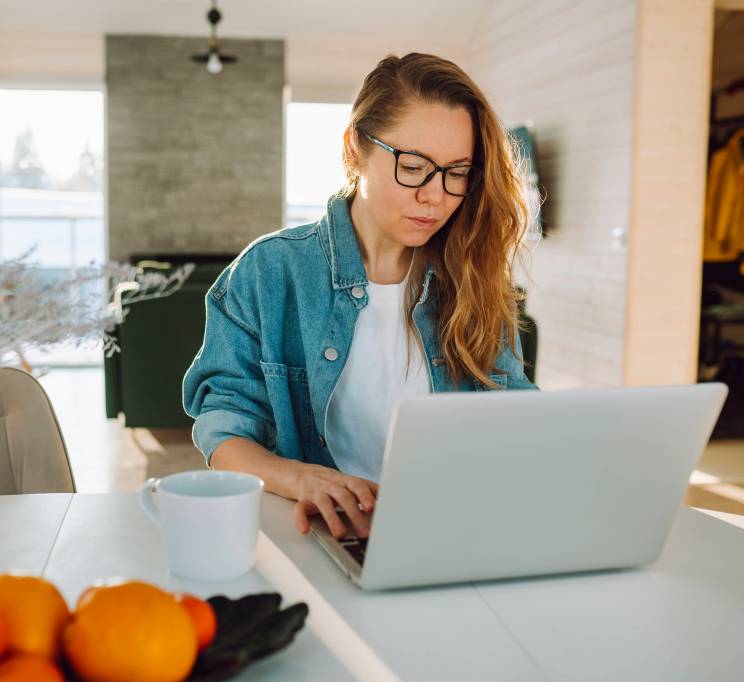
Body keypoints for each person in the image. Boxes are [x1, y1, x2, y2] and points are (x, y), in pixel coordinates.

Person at [183, 53, 538, 541]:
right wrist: (302, 478)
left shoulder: (476, 279)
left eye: (457, 172)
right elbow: (224, 430)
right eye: (413, 166)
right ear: (355, 148)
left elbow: (518, 422)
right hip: (317, 538)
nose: (435, 195)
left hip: (454, 533)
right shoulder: (269, 274)